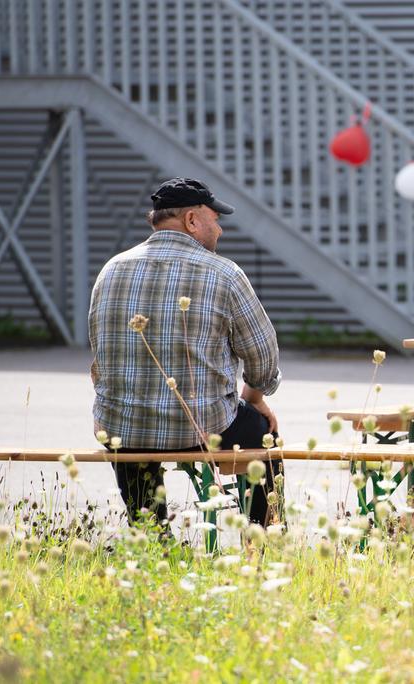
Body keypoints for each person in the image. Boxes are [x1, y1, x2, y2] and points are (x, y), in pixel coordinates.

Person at [88, 177, 282, 528]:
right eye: (215, 219)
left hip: (124, 431)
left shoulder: (110, 270)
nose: (220, 230)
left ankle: (149, 534)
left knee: (128, 430)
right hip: (204, 428)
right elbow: (263, 360)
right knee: (262, 432)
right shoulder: (224, 274)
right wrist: (254, 399)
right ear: (192, 220)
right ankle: (263, 542)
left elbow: (100, 362)